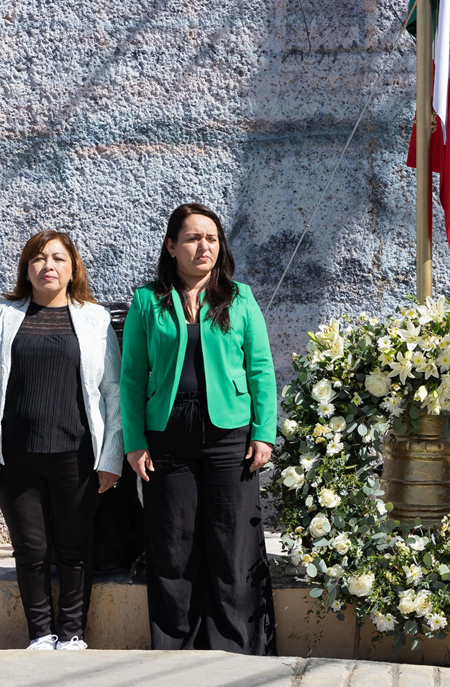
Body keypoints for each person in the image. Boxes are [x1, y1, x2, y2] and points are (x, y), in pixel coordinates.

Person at [120, 203, 278, 654]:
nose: (203, 246)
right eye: (192, 238)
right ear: (172, 246)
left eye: (211, 238)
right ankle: (176, 648)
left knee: (232, 542)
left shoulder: (240, 298)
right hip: (167, 434)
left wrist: (263, 432)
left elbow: (261, 370)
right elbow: (131, 377)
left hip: (230, 435)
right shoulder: (146, 301)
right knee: (173, 544)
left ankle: (236, 645)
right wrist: (134, 443)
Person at [0, 230, 123, 651]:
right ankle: (40, 634)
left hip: (77, 457)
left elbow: (113, 392)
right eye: (38, 258)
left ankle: (72, 634)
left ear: (73, 269)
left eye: (57, 258)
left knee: (75, 548)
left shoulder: (95, 318)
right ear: (26, 268)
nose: (47, 266)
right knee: (31, 549)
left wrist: (111, 458)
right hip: (16, 458)